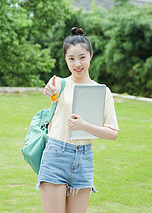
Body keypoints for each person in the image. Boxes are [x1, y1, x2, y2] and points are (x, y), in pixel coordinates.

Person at [38, 26, 119, 213]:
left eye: (82, 57)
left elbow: (113, 133)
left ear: (91, 55)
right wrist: (48, 91)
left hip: (84, 158)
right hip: (55, 155)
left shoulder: (102, 92)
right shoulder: (59, 84)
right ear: (65, 59)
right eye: (71, 59)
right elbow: (49, 91)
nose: (77, 64)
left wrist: (85, 126)